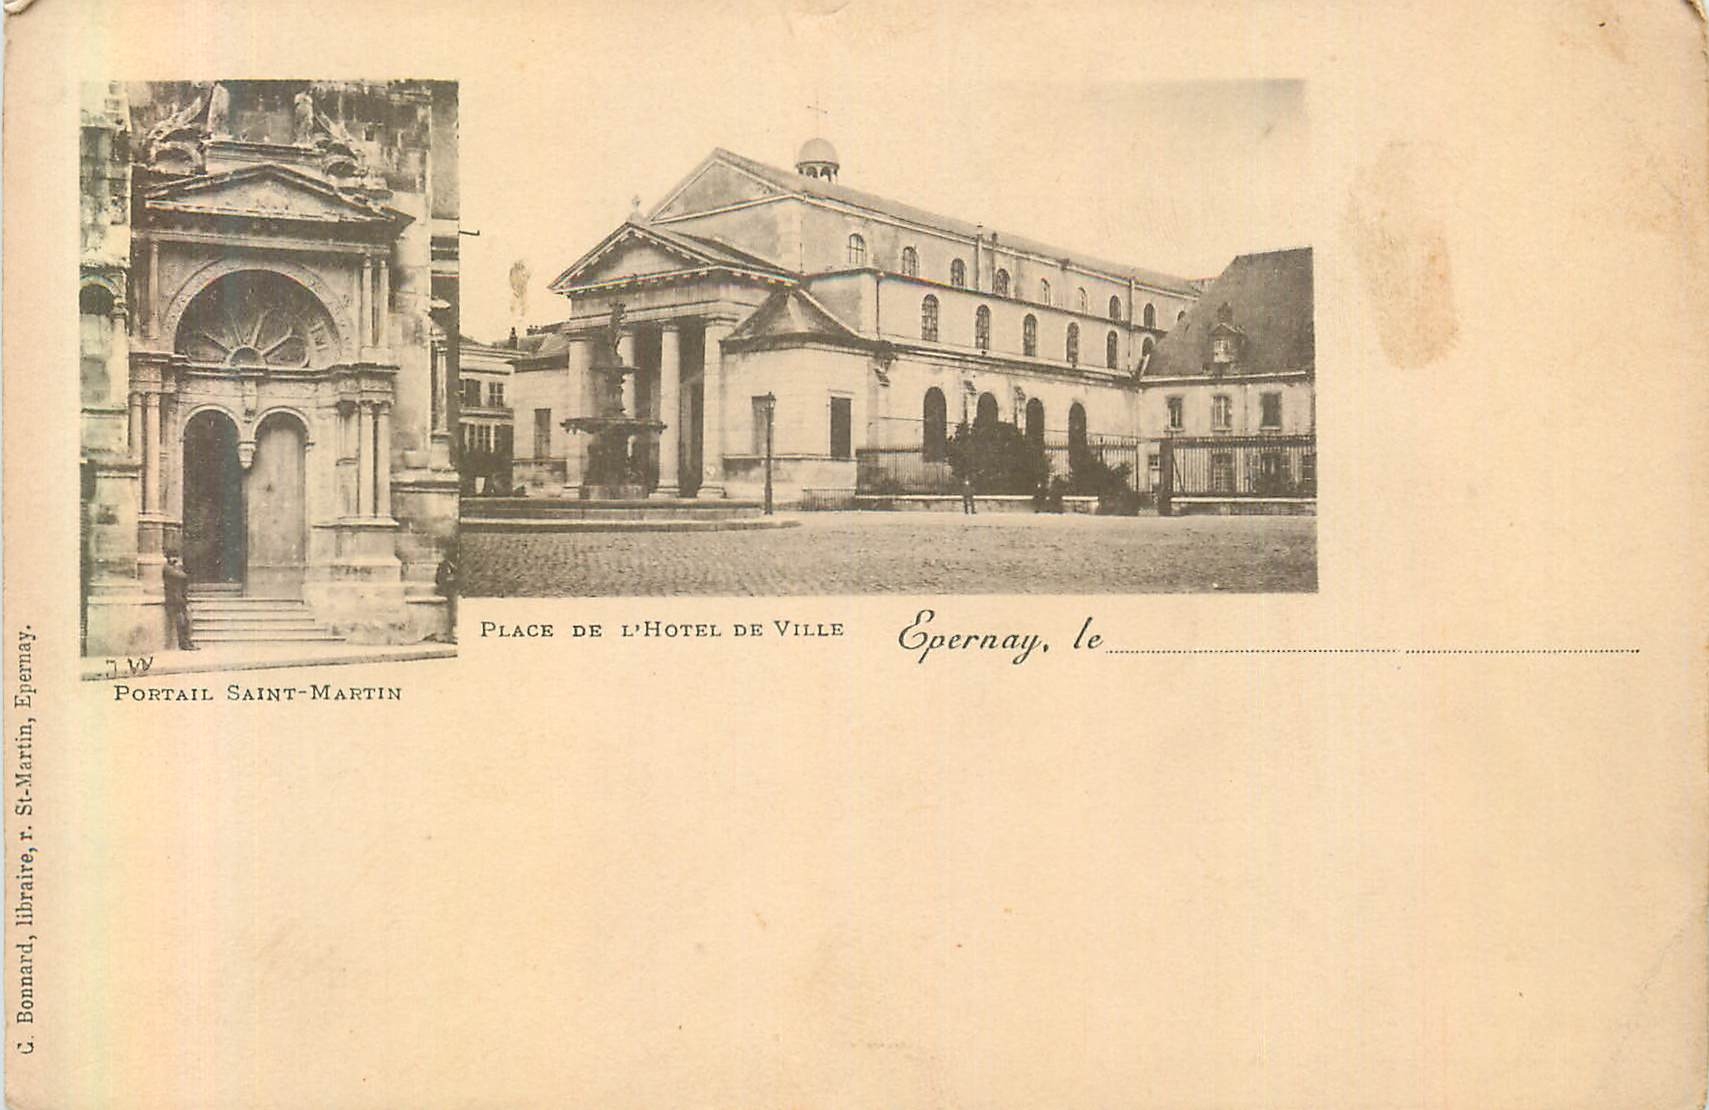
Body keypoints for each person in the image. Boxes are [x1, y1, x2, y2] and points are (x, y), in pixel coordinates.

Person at [162, 552, 196, 651]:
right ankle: (184, 643)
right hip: (174, 601)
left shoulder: (174, 568)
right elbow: (182, 576)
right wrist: (178, 567)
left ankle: (188, 642)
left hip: (180, 600)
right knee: (181, 622)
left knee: (187, 621)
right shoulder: (168, 568)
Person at [435, 552, 459, 644]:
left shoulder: (459, 566)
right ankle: (453, 633)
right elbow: (439, 580)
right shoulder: (444, 565)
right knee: (454, 610)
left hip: (457, 590)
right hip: (449, 591)